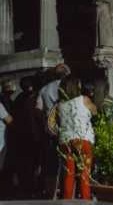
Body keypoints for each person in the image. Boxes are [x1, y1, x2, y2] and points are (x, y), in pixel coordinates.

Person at [55, 76, 97, 200]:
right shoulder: (84, 99)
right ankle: (85, 199)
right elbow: (95, 112)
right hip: (82, 139)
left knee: (69, 174)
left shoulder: (59, 105)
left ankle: (67, 200)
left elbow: (57, 122)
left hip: (66, 141)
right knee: (84, 173)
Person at [37, 63, 71, 199]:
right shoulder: (70, 87)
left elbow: (38, 110)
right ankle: (66, 191)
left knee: (51, 162)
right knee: (67, 161)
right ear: (67, 74)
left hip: (50, 130)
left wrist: (47, 119)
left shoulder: (44, 89)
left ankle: (51, 193)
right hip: (68, 128)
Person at [9, 75, 43, 198]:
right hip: (33, 136)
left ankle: (26, 187)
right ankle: (31, 188)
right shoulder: (34, 98)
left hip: (21, 136)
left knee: (25, 165)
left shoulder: (19, 98)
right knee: (33, 164)